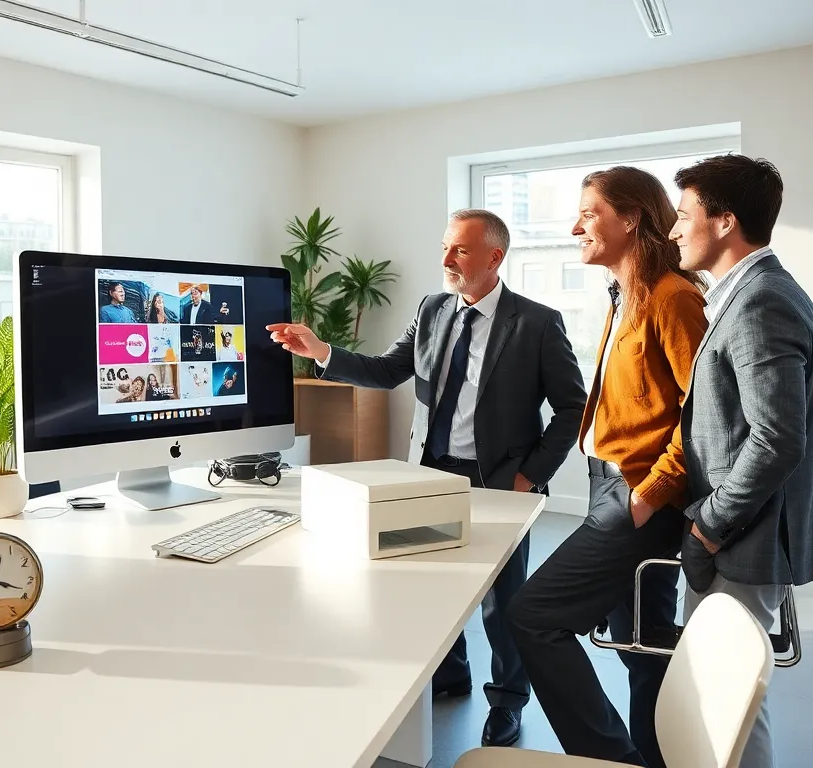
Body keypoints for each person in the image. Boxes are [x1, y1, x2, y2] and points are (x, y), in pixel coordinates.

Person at [268, 208, 586, 748]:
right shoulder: (433, 309)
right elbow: (387, 371)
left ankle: (508, 701)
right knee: (433, 586)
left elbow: (573, 407)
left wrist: (531, 474)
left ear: (494, 257)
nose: (446, 260)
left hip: (499, 481)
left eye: (459, 250)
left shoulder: (536, 322)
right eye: (444, 247)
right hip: (430, 473)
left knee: (502, 601)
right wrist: (321, 351)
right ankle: (451, 674)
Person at [507, 167, 709, 768]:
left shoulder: (674, 298)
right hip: (611, 488)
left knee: (535, 615)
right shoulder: (626, 295)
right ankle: (656, 758)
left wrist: (650, 494)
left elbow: (705, 417)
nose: (575, 227)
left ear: (633, 219)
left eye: (588, 213)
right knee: (643, 647)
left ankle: (607, 759)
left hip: (637, 496)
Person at [670, 155, 813, 768]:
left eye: (685, 216)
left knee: (728, 707)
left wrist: (708, 522)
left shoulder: (762, 303)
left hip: (742, 534)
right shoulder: (749, 295)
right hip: (741, 532)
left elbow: (776, 439)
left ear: (725, 221)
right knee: (725, 702)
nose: (676, 230)